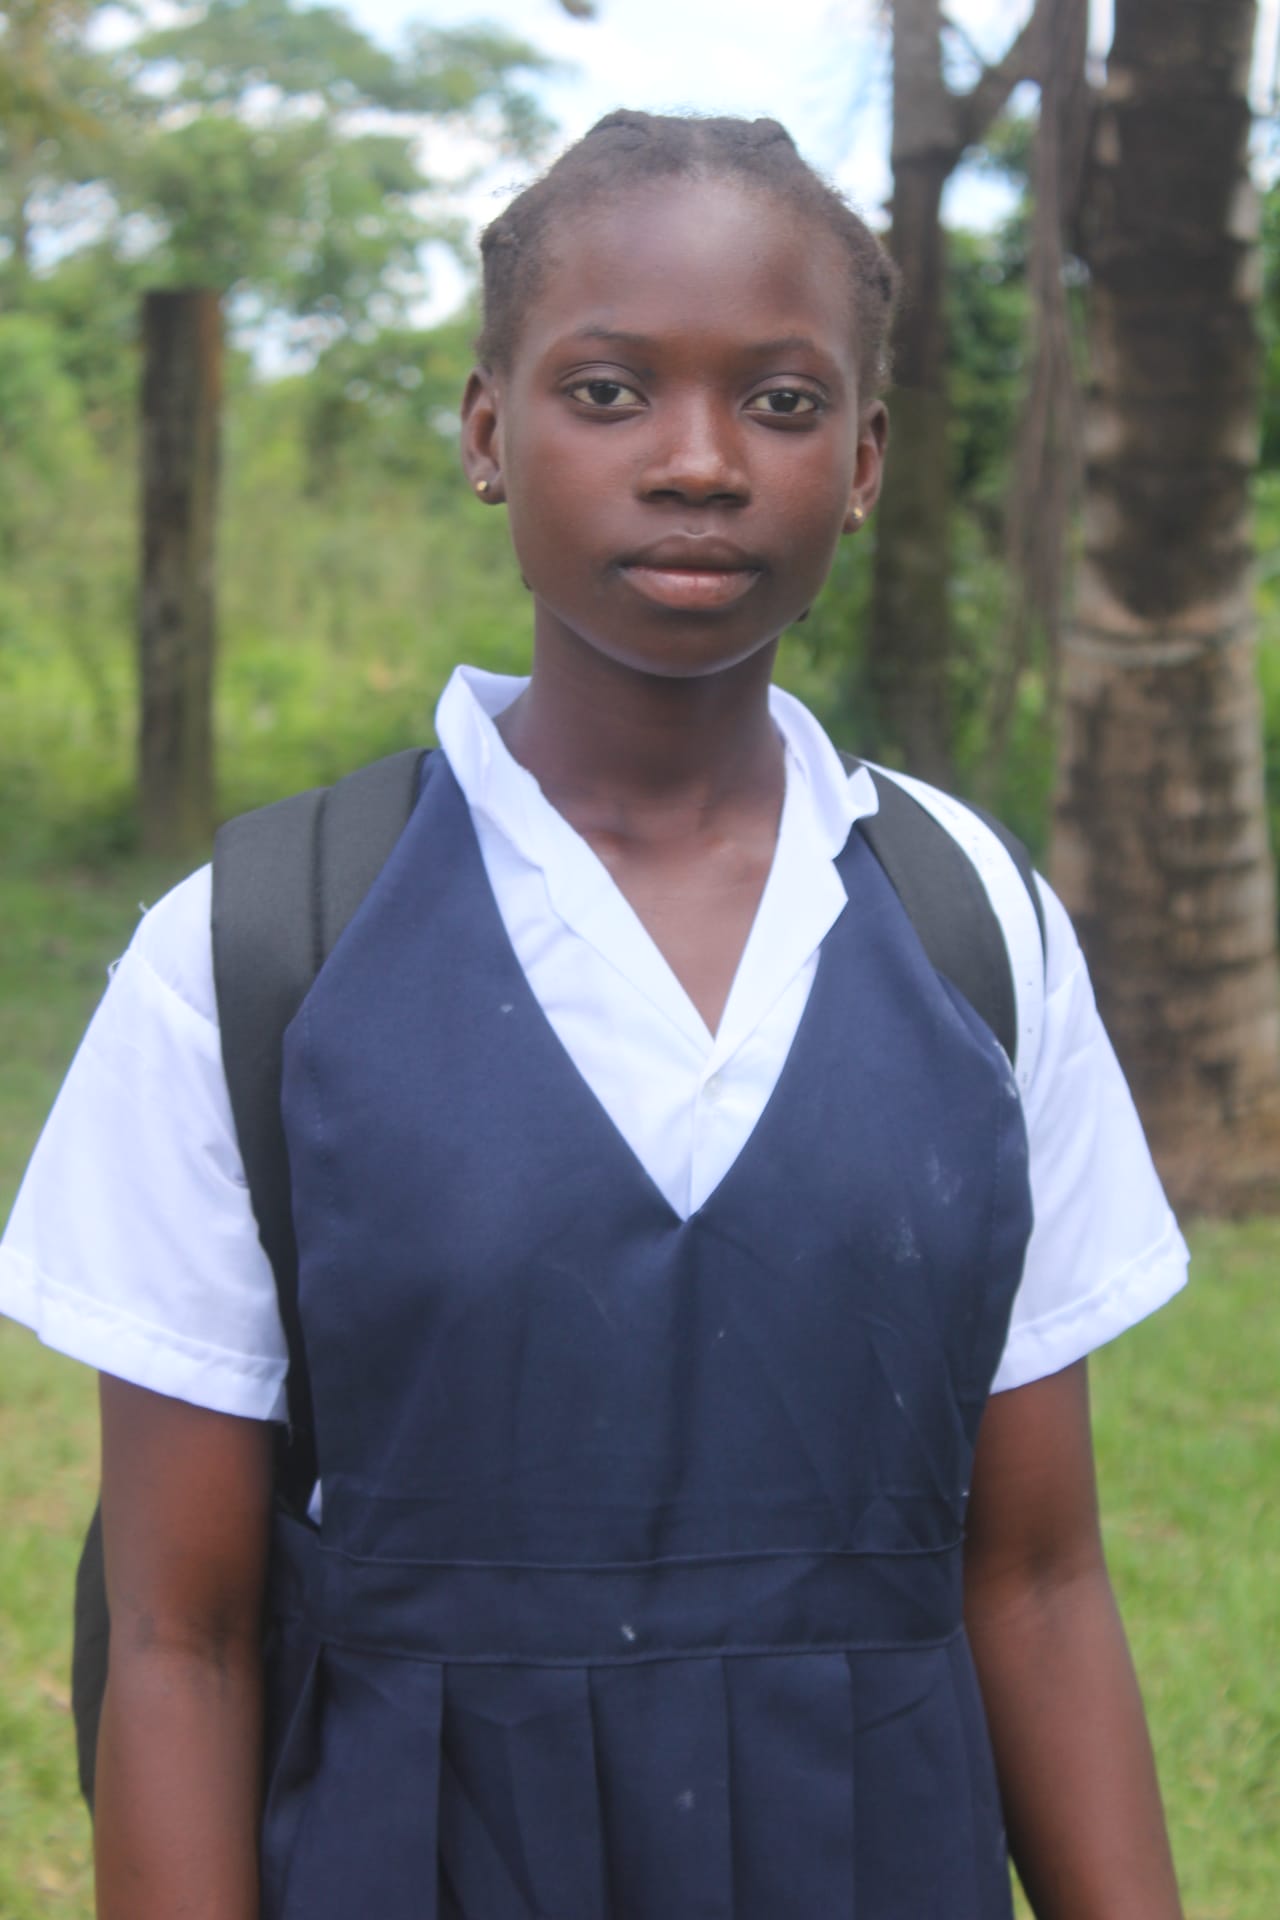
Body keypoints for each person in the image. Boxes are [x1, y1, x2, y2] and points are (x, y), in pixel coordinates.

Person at [0, 111, 1189, 1919]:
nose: (698, 463)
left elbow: (1034, 1580)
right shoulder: (254, 952)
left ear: (866, 460)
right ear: (490, 433)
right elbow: (183, 1637)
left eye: (781, 402)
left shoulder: (975, 931)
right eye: (610, 391)